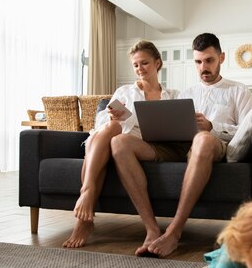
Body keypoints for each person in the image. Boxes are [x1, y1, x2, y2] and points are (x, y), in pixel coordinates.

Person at [110, 33, 252, 257]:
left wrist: (211, 126)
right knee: (119, 143)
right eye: (198, 62)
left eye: (209, 60)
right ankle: (151, 229)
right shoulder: (186, 94)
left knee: (203, 138)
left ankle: (174, 231)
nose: (203, 67)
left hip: (216, 144)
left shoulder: (238, 90)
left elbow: (248, 131)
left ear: (221, 58)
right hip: (181, 147)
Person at [62, 40, 179, 248]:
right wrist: (112, 115)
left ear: (157, 63)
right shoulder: (124, 91)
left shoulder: (173, 95)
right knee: (112, 128)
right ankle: (87, 192)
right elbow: (99, 126)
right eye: (135, 65)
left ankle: (85, 211)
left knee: (113, 134)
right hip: (117, 138)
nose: (140, 69)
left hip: (150, 143)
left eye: (144, 63)